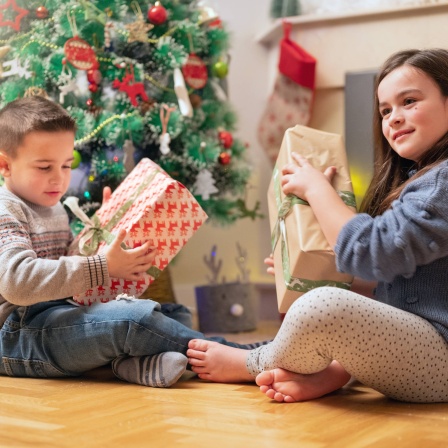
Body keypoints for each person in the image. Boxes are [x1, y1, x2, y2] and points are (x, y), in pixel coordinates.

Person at [187, 48, 448, 403]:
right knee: (319, 293)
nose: (394, 118)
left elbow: (371, 251)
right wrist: (310, 268)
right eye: (385, 110)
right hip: (420, 347)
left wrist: (317, 190)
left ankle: (252, 362)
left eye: (409, 101)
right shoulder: (421, 180)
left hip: (438, 358)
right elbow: (393, 273)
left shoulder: (442, 183)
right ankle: (335, 372)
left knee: (323, 305)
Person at [0, 96, 259, 388]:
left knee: (173, 313)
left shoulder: (53, 207)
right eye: (45, 167)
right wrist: (102, 266)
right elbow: (16, 282)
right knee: (134, 321)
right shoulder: (5, 209)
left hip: (54, 317)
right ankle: (245, 358)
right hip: (18, 334)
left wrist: (107, 227)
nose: (59, 180)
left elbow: (69, 261)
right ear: (5, 165)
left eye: (65, 165)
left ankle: (129, 366)